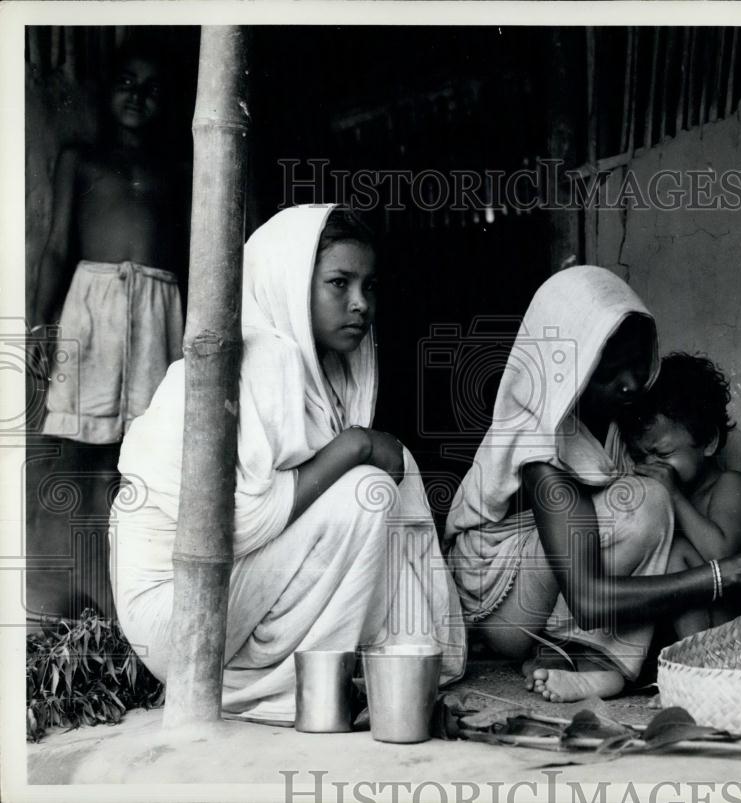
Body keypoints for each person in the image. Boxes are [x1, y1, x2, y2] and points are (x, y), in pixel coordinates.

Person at [110, 205, 465, 723]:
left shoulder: (322, 369)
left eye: (369, 286)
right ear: (289, 282)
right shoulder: (261, 356)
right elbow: (240, 523)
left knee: (377, 478)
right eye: (338, 284)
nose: (360, 304)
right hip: (180, 619)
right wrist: (354, 446)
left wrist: (362, 449)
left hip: (222, 607)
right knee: (365, 492)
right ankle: (305, 688)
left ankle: (354, 666)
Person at [445, 266, 741, 703]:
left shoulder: (622, 420)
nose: (631, 384)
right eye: (609, 373)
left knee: (675, 490)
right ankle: (603, 665)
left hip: (568, 592)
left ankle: (574, 656)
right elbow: (588, 599)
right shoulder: (539, 445)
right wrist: (729, 574)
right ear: (568, 369)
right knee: (646, 498)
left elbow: (717, 532)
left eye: (639, 364)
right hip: (509, 612)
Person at [26, 42, 190, 620]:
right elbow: (55, 248)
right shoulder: (83, 159)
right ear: (104, 90)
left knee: (145, 456)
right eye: (126, 81)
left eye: (151, 87)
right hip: (92, 312)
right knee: (86, 458)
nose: (137, 96)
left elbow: (193, 259)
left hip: (157, 315)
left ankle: (136, 601)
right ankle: (90, 599)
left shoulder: (175, 169)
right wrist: (42, 326)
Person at [622, 353, 741, 633]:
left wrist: (675, 495)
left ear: (709, 442)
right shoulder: (664, 495)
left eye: (663, 453)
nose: (651, 465)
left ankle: (699, 667)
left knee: (676, 552)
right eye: (640, 456)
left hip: (736, 627)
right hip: (695, 622)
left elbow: (720, 555)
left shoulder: (730, 485)